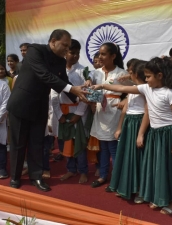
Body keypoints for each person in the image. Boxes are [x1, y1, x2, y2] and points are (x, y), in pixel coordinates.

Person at [92, 57, 172, 214]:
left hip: (169, 136)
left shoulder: (171, 94)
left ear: (160, 76)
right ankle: (160, 197)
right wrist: (102, 85)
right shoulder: (147, 89)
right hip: (155, 136)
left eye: (148, 76)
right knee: (158, 168)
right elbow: (123, 89)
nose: (146, 80)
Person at [6, 29, 88, 191]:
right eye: (64, 45)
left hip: (40, 106)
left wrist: (80, 97)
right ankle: (15, 176)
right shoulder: (35, 51)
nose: (67, 49)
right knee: (18, 143)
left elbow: (63, 80)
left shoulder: (60, 60)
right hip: (21, 104)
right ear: (53, 42)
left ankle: (36, 177)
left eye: (68, 46)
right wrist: (73, 90)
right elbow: (44, 75)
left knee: (37, 143)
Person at [105, 60, 147, 202]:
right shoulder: (134, 87)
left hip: (140, 123)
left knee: (139, 158)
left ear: (136, 74)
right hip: (129, 123)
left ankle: (141, 190)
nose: (128, 74)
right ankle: (125, 186)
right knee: (127, 156)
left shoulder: (145, 88)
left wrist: (141, 133)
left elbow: (147, 111)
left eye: (130, 72)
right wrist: (119, 127)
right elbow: (125, 108)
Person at [89, 42, 127, 188]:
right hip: (100, 111)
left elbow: (134, 89)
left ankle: (117, 179)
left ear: (113, 56)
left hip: (114, 111)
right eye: (99, 54)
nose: (100, 57)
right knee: (103, 146)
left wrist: (125, 100)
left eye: (104, 54)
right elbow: (90, 85)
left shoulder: (121, 73)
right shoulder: (96, 73)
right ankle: (103, 175)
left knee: (113, 147)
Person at [51, 39, 89, 184]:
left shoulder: (82, 71)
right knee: (66, 143)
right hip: (62, 112)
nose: (75, 56)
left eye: (77, 53)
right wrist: (59, 115)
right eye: (72, 53)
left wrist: (79, 115)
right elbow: (54, 95)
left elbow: (85, 95)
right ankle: (70, 169)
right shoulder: (57, 70)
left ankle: (83, 171)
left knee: (79, 143)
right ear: (65, 53)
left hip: (78, 112)